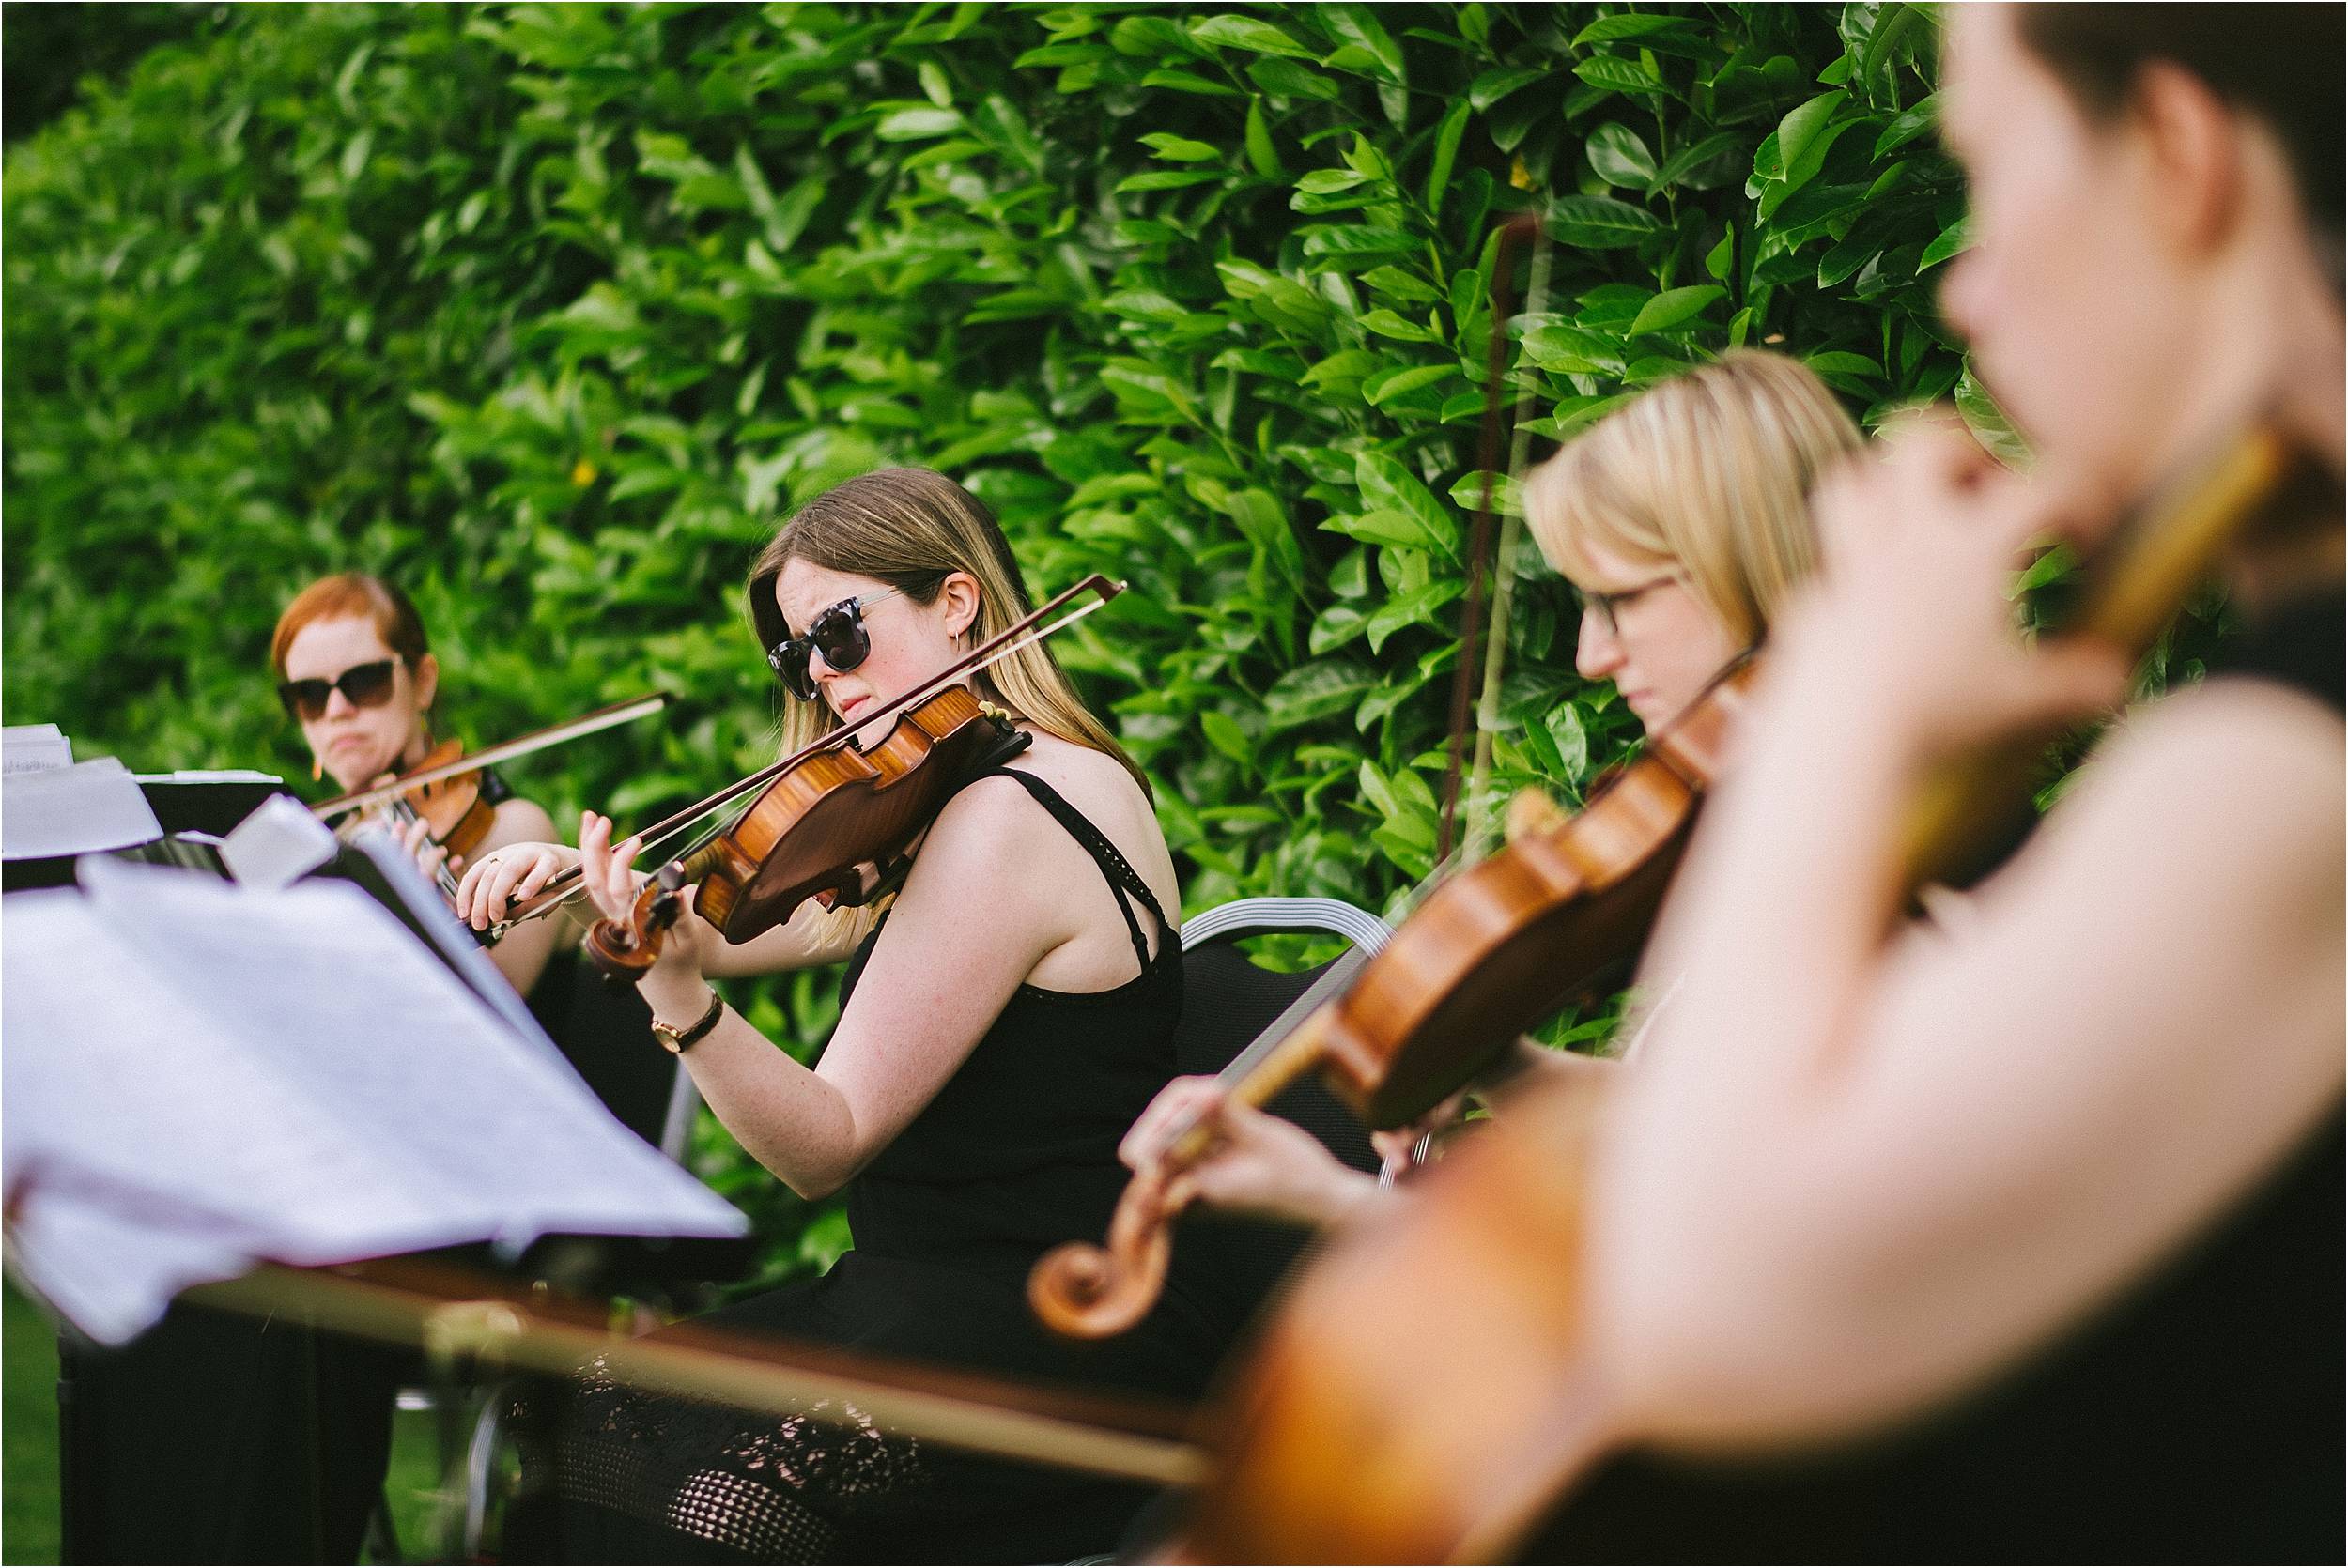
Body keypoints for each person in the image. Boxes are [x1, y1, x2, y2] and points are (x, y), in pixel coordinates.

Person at [1542, 7, 2342, 1558]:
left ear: (2175, 152)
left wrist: (1844, 703)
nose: (1967, 290)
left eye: (1983, 169)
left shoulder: (2289, 766)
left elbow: (1704, 1307)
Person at [457, 468, 1229, 1563]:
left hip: (1047, 1331)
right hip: (935, 1303)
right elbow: (728, 918)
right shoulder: (971, 787)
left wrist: (679, 1001)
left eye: (842, 631)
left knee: (720, 1501)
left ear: (955, 601)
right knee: (588, 1408)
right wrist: (590, 883)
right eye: (797, 654)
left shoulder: (1009, 816)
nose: (823, 677)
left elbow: (826, 1139)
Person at [1118, 349, 1863, 1231]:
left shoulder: (1868, 867)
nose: (1592, 657)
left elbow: (1693, 1260)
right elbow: (1699, 1131)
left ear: (1752, 561)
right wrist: (1507, 1068)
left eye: (1621, 600)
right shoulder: (1800, 827)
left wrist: (1336, 1201)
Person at [273, 571, 564, 999]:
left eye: (364, 681)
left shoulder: (515, 832)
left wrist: (424, 918)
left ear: (423, 682)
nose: (336, 710)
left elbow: (497, 1007)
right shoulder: (326, 845)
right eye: (310, 695)